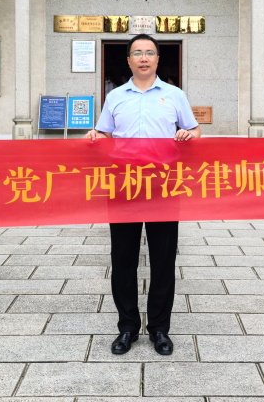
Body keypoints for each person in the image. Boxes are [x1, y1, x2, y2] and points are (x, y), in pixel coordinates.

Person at [85, 34, 200, 356]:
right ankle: (127, 328)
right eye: (137, 53)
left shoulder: (175, 95)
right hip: (124, 185)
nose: (144, 58)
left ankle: (160, 329)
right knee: (123, 259)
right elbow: (105, 133)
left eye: (150, 52)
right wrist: (95, 135)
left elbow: (194, 130)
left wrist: (188, 134)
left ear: (158, 59)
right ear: (129, 60)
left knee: (163, 260)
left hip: (164, 186)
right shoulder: (115, 97)